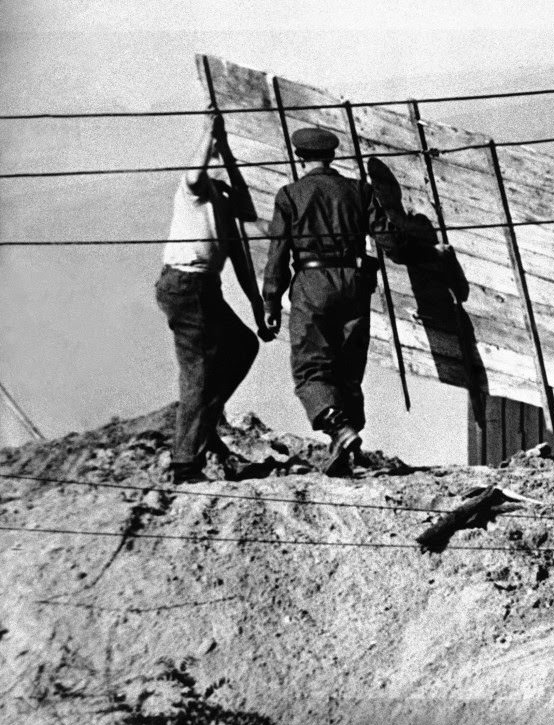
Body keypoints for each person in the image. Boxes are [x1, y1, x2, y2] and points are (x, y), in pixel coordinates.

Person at [262, 128, 404, 477]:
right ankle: (346, 448)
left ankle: (340, 431)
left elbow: (278, 254)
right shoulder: (360, 190)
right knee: (348, 366)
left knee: (311, 367)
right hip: (355, 283)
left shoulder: (290, 195)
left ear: (300, 157)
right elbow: (391, 243)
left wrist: (270, 303)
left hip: (313, 285)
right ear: (332, 156)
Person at [155, 108, 273, 484]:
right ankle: (185, 461)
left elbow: (241, 260)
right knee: (199, 371)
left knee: (242, 345)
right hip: (186, 285)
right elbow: (194, 174)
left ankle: (203, 428)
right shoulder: (195, 194)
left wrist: (258, 308)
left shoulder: (224, 209)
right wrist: (210, 132)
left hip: (204, 288)